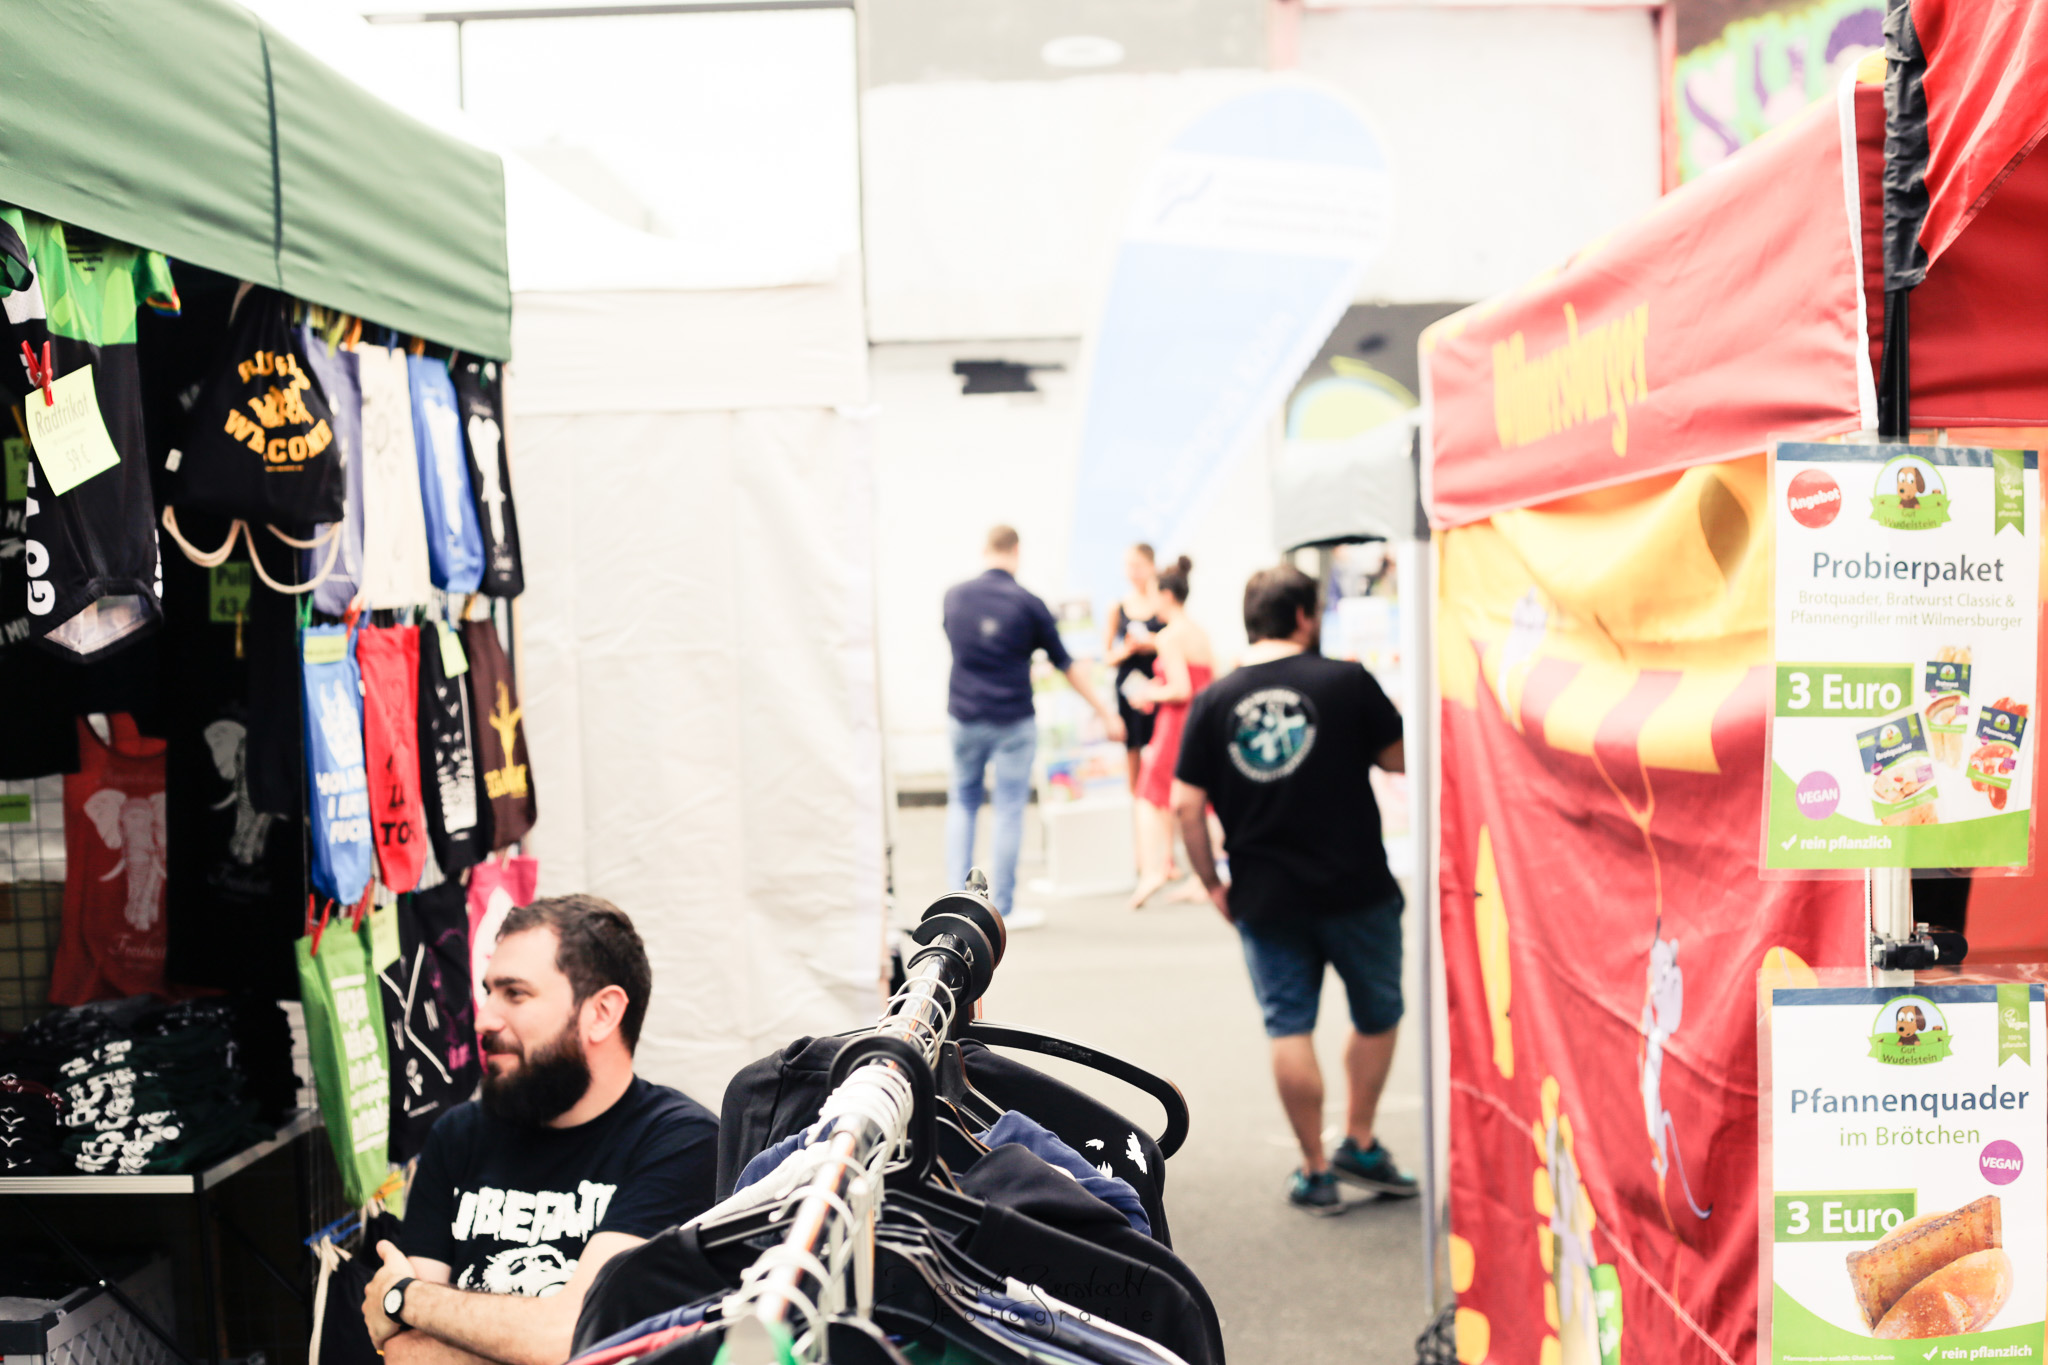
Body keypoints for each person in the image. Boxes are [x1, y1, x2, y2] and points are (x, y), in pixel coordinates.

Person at [364, 896, 719, 1365]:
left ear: (602, 1013)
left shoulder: (682, 1143)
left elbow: (570, 1338)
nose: (483, 1018)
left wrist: (405, 1297)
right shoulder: (458, 1135)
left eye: (515, 994)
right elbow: (403, 1350)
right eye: (488, 991)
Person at [1170, 564, 1418, 1214]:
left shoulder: (1215, 701)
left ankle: (1315, 1169)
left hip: (1264, 895)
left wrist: (1210, 882)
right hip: (1358, 887)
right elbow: (1401, 758)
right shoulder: (1346, 681)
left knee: (1288, 1025)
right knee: (1377, 1013)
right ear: (1305, 616)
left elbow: (1184, 805)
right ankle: (1359, 1140)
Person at [943, 525, 1124, 929]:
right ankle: (1002, 908)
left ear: (986, 549)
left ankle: (954, 906)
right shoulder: (1029, 604)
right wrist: (1105, 711)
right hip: (1013, 720)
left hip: (964, 716)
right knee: (1008, 809)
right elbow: (1066, 664)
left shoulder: (954, 597)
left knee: (963, 802)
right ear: (1016, 552)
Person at [1128, 556, 1212, 909]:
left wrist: (1149, 693)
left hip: (1175, 726)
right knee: (1199, 802)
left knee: (1148, 796)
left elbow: (1180, 689)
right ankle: (1202, 878)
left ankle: (1153, 870)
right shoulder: (1198, 632)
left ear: (1165, 595)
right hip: (1200, 722)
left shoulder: (1169, 636)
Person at [1103, 544, 1165, 807]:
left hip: (1160, 684)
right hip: (1130, 687)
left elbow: (1177, 642)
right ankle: (1138, 804)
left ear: (1152, 566)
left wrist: (1152, 643)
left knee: (1163, 743)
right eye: (1129, 566)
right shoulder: (1117, 607)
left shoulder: (1163, 604)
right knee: (1133, 747)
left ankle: (1162, 801)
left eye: (1138, 565)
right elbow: (1107, 657)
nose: (1133, 572)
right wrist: (1127, 649)